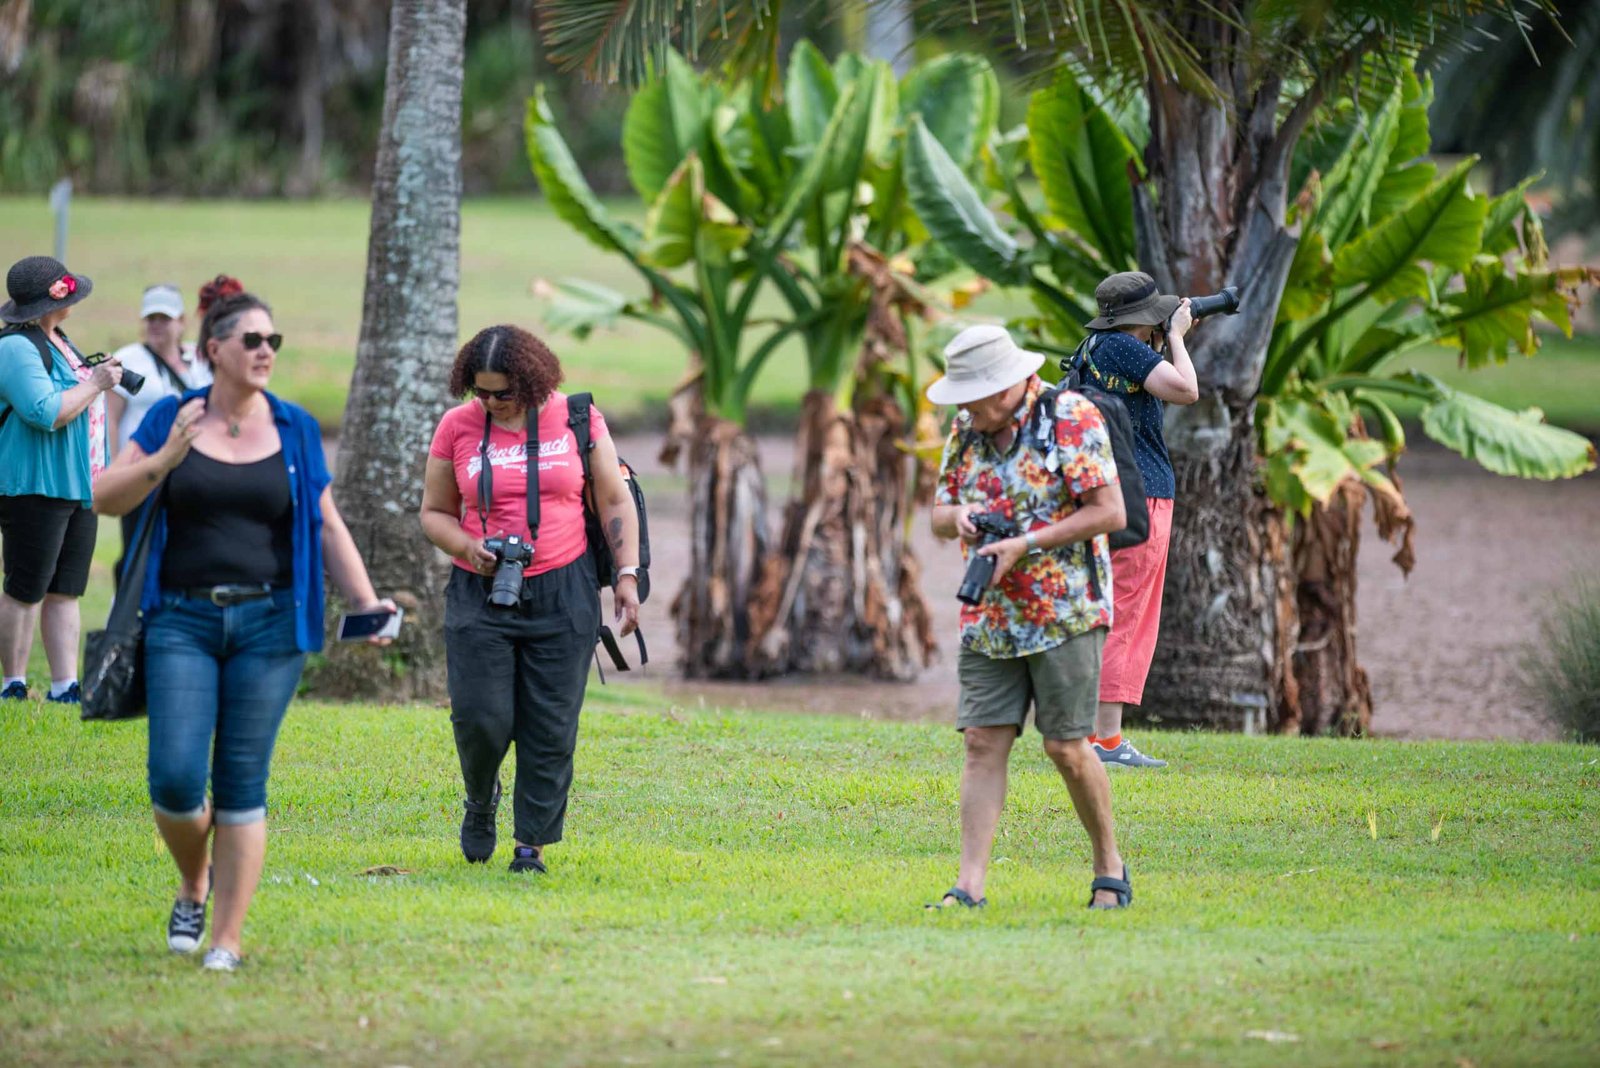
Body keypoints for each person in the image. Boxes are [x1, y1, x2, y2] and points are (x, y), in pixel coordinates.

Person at [94, 288, 394, 972]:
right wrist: (164, 458)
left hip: (270, 626)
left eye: (272, 342)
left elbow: (324, 521)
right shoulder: (174, 416)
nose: (265, 351)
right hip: (183, 619)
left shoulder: (293, 427)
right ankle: (194, 880)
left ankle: (226, 939)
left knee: (241, 782)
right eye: (251, 340)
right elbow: (105, 497)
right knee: (174, 779)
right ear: (213, 352)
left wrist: (367, 602)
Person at [420, 324, 641, 875]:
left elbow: (614, 495)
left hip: (563, 590)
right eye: (481, 392)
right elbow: (434, 513)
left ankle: (531, 846)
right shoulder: (457, 427)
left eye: (503, 393)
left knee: (551, 723)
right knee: (481, 718)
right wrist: (469, 547)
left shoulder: (578, 419)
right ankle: (480, 796)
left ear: (532, 382)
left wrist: (629, 576)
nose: (491, 403)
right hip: (480, 589)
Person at [925, 324, 1132, 910]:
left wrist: (1028, 543)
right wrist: (960, 516)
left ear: (1009, 385)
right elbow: (938, 513)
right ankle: (968, 888)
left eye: (973, 394)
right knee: (981, 743)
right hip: (990, 616)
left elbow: (1109, 511)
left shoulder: (1071, 418)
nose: (963, 406)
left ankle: (1109, 867)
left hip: (1065, 612)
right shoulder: (967, 429)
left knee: (1066, 747)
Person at [1075, 272, 1199, 769]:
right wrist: (1175, 336)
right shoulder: (1124, 348)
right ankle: (1107, 741)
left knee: (1106, 610)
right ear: (1141, 321)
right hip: (1141, 496)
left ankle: (1090, 734)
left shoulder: (1092, 347)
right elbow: (1185, 389)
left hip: (1109, 495)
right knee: (1126, 614)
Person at [0, 255, 120, 704]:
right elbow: (45, 412)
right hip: (36, 483)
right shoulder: (14, 347)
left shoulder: (60, 340)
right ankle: (12, 683)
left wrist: (95, 376)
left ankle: (64, 685)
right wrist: (98, 382)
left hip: (79, 483)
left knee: (66, 588)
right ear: (45, 301)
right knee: (25, 587)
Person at [107, 282, 213, 582]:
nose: (156, 325)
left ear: (181, 322)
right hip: (141, 466)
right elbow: (110, 418)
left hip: (191, 471)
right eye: (150, 318)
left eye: (164, 318)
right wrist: (115, 469)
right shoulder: (127, 359)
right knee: (137, 545)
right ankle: (126, 615)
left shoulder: (201, 359)